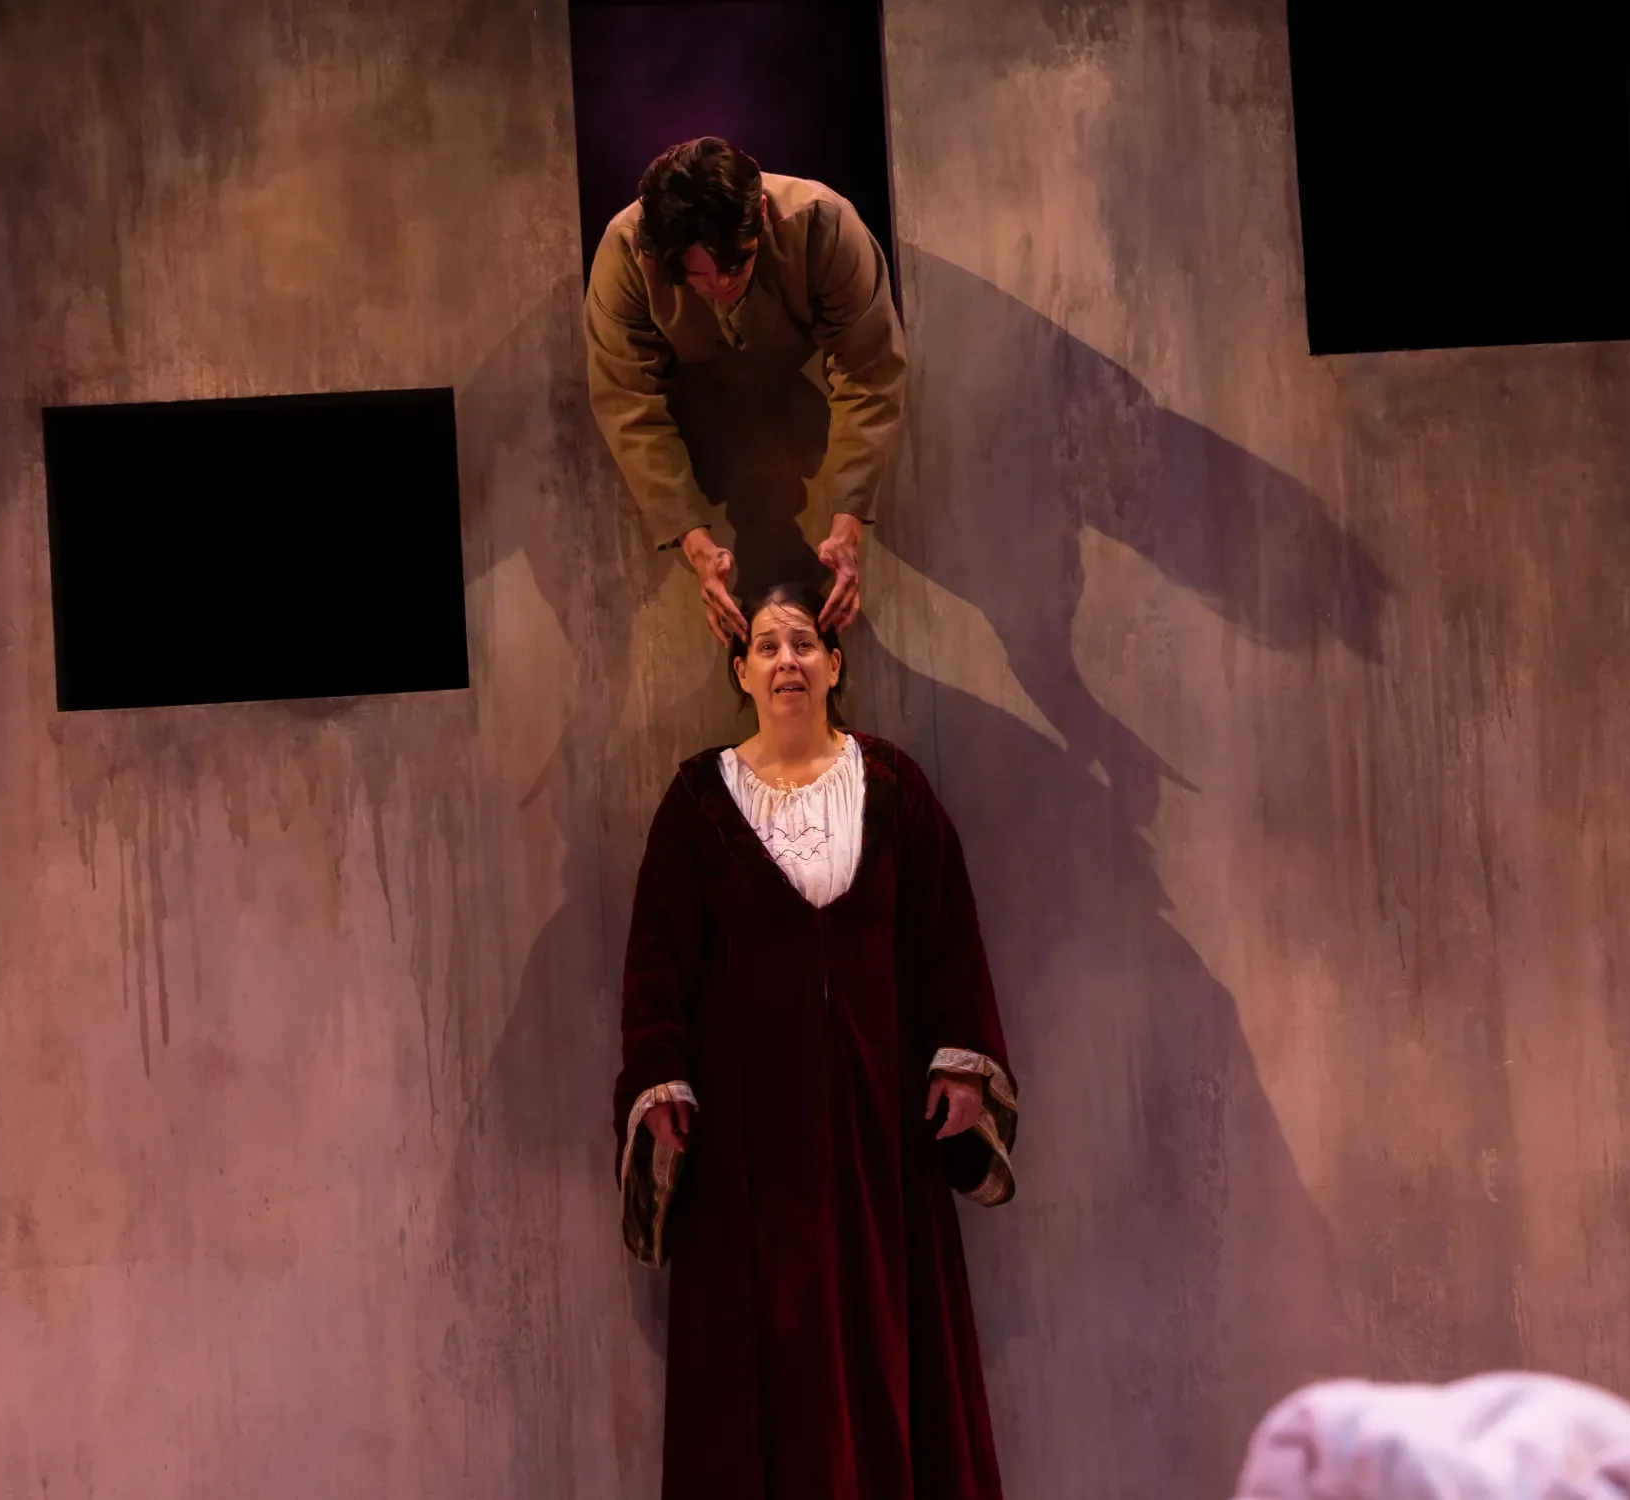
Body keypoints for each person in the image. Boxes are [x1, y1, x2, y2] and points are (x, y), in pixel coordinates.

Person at [612, 580, 1018, 1499]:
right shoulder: (696, 803)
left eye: (804, 643)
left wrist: (962, 1063)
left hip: (883, 1141)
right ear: (741, 674)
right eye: (767, 646)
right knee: (768, 1365)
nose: (787, 659)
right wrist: (661, 1080)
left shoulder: (896, 788)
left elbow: (948, 937)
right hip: (753, 1159)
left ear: (835, 667)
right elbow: (657, 963)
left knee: (886, 1347)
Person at [584, 137, 907, 643]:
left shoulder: (824, 225)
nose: (721, 284)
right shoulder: (626, 252)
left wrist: (847, 524)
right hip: (697, 410)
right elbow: (628, 401)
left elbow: (868, 370)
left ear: (758, 212)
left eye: (737, 266)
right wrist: (694, 541)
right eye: (700, 277)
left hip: (800, 395)